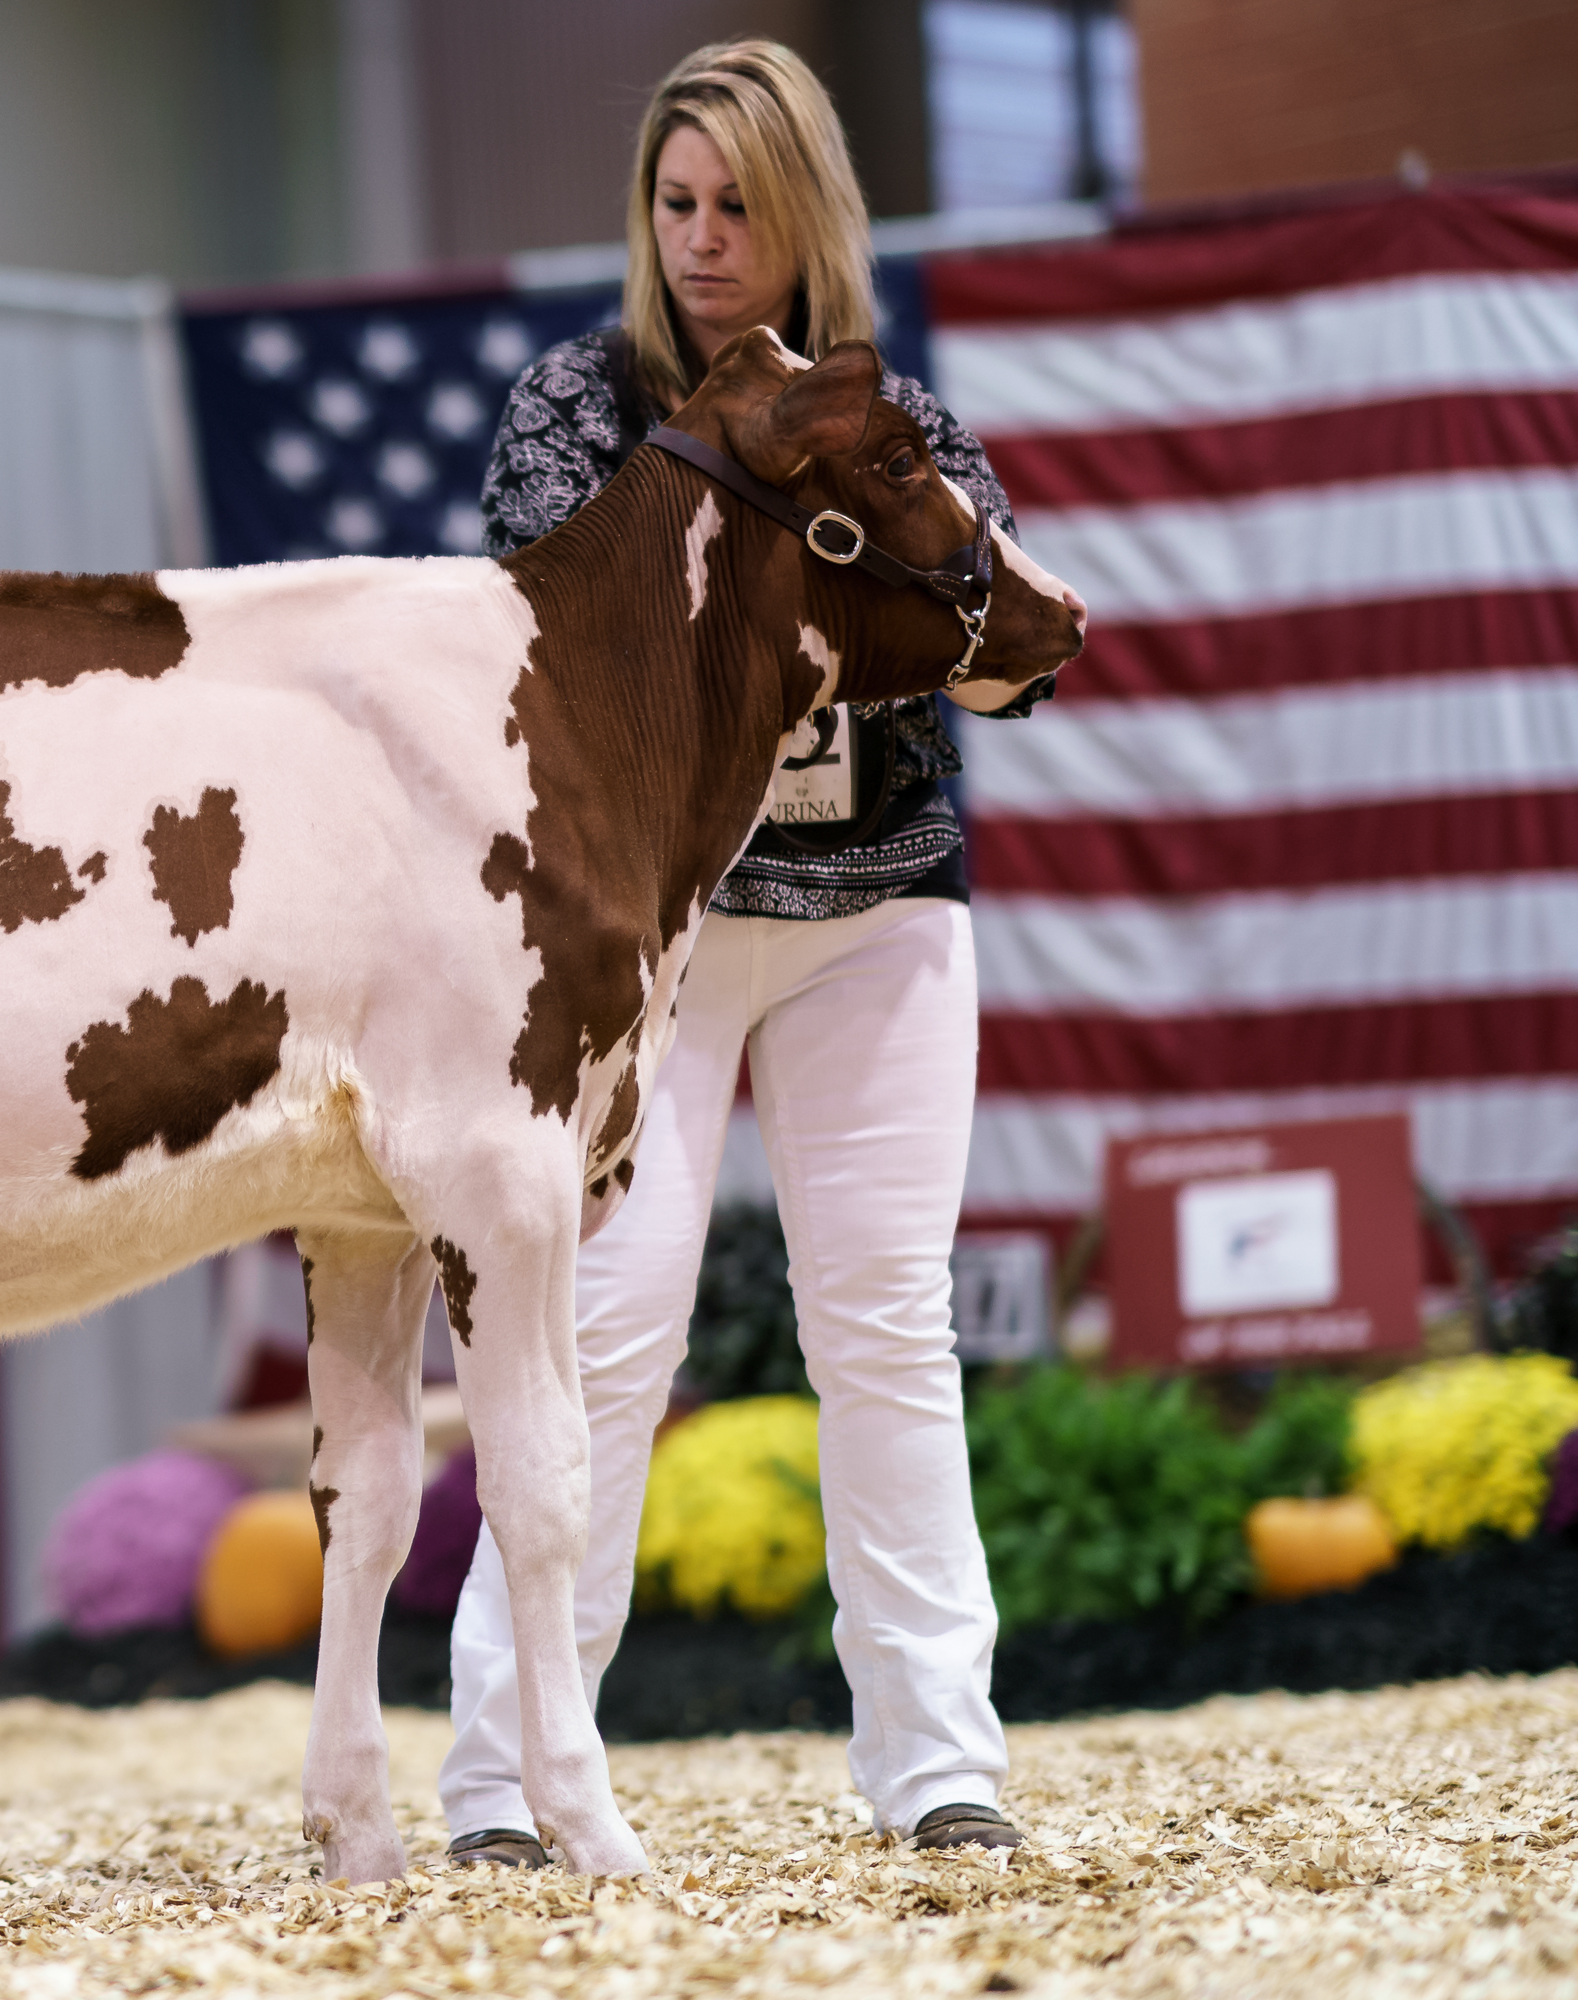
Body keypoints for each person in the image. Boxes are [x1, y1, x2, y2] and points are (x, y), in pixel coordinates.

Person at [439, 39, 1064, 1865]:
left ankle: (940, 1765)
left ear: (808, 221)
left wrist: (877, 614)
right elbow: (556, 645)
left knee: (887, 1324)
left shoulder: (900, 417)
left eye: (739, 205)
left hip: (886, 910)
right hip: (662, 932)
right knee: (608, 1329)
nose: (704, 238)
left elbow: (1007, 659)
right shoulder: (579, 407)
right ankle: (506, 1779)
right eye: (677, 201)